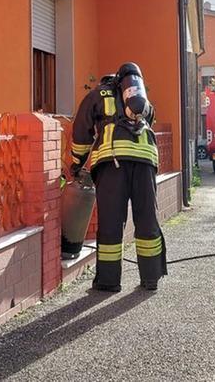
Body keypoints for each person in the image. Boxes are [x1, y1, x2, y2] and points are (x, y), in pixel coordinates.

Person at [69, 62, 166, 292]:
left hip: (113, 163)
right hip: (146, 162)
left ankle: (108, 281)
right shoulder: (142, 100)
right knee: (147, 219)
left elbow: (81, 132)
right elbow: (149, 121)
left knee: (111, 222)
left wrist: (76, 163)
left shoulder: (98, 95)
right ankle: (151, 278)